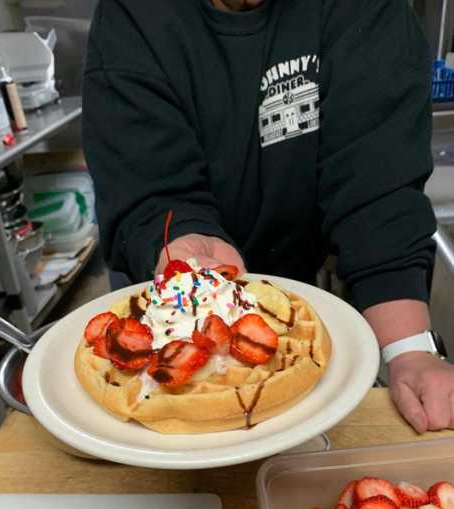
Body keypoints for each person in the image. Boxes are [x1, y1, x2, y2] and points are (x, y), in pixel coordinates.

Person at [82, 0, 454, 433]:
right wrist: (188, 254)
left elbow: (377, 191)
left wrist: (410, 352)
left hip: (300, 283)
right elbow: (146, 187)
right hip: (168, 288)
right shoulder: (132, 13)